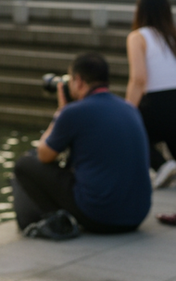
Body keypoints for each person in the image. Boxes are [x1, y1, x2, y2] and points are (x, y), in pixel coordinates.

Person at [13, 52, 150, 235]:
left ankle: (57, 219)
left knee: (25, 164)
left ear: (78, 81)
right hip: (137, 215)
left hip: (101, 217)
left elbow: (44, 155)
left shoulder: (73, 112)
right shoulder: (129, 108)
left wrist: (60, 114)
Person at [126, 0, 176, 190]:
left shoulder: (138, 37)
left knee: (130, 132)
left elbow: (138, 79)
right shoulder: (173, 34)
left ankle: (161, 164)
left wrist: (128, 110)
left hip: (155, 102)